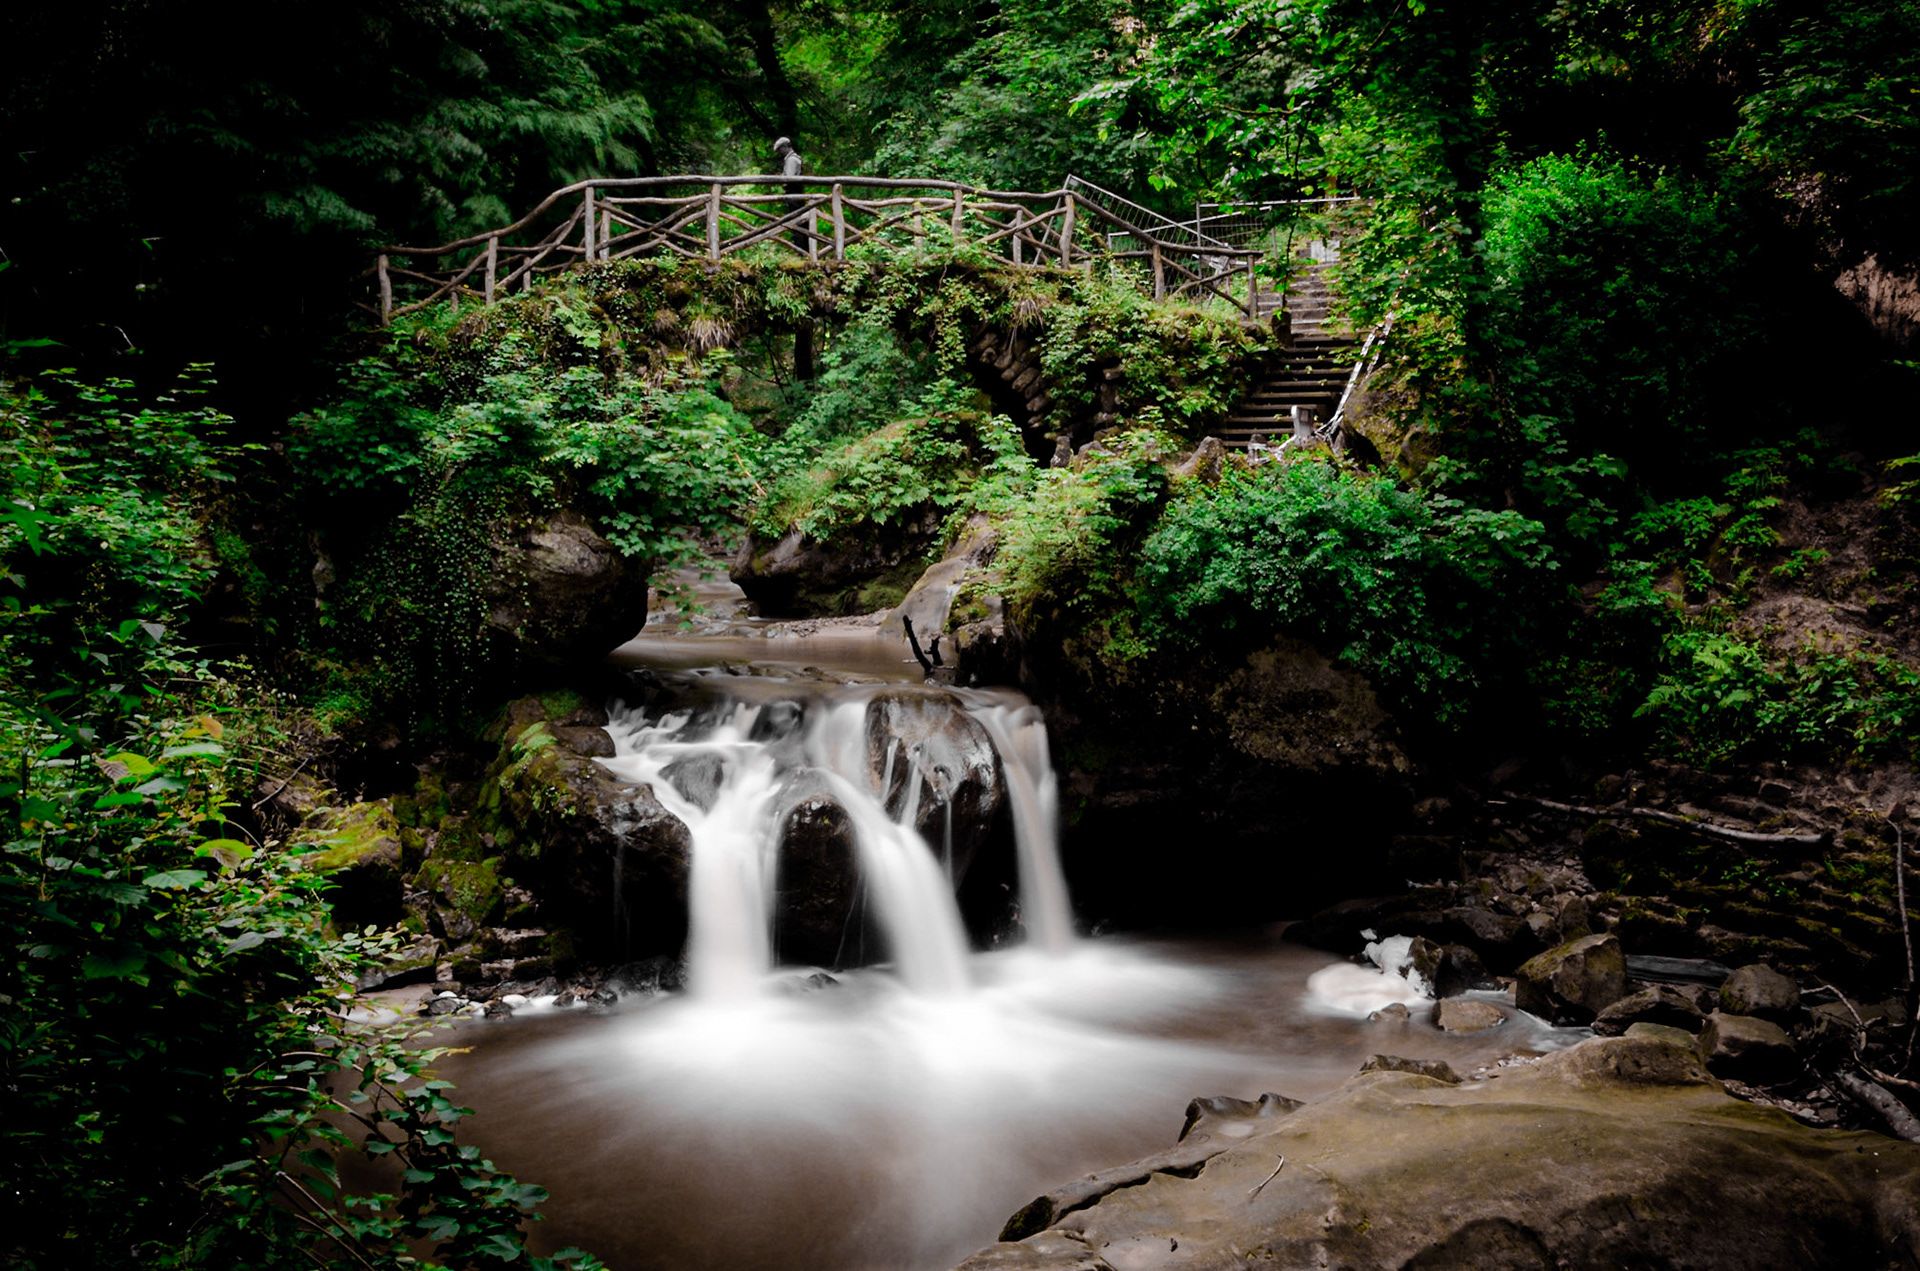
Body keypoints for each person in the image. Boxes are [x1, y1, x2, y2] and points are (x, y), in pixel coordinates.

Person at [773, 136, 806, 250]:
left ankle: (800, 250)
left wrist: (782, 180)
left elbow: (790, 178)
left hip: (794, 194)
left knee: (795, 223)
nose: (780, 153)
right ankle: (802, 249)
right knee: (797, 222)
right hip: (796, 194)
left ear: (785, 147)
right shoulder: (792, 159)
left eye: (780, 150)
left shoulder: (791, 160)